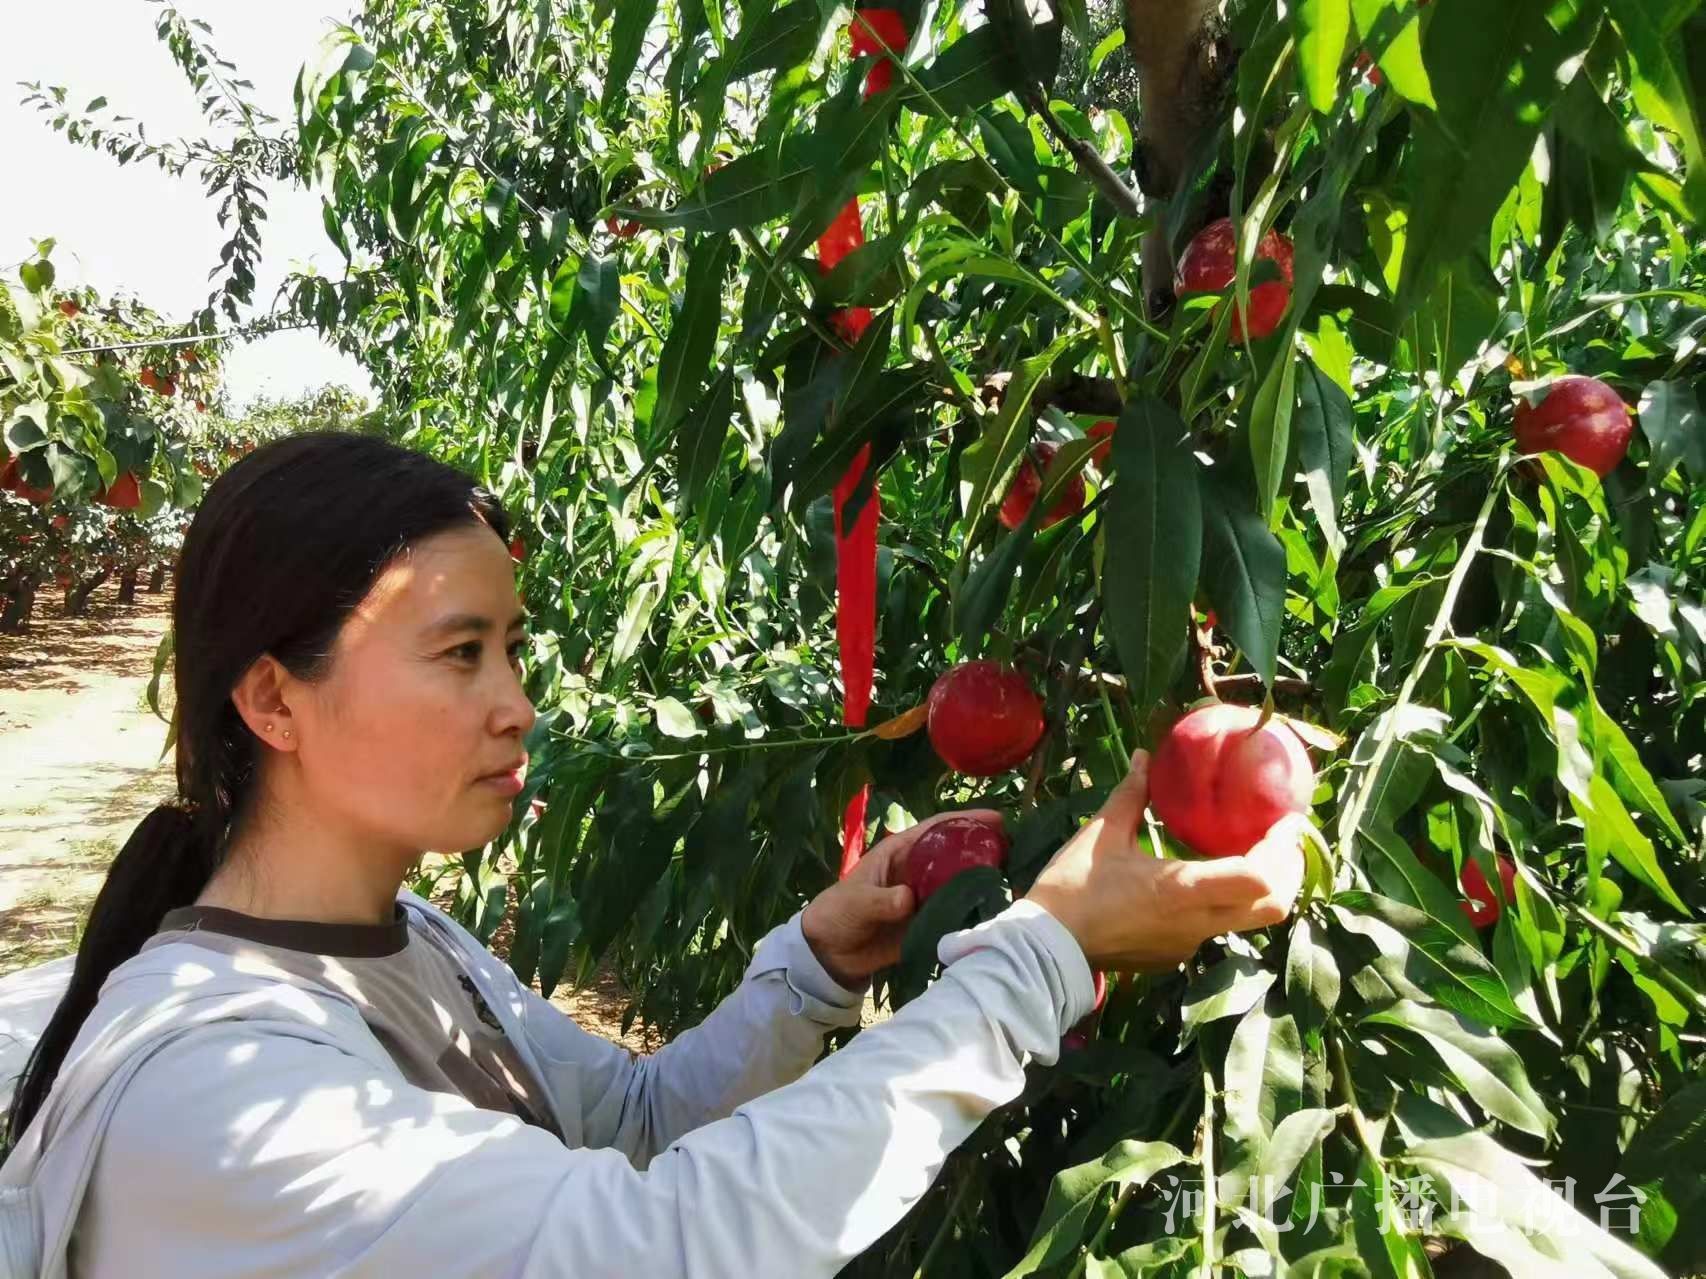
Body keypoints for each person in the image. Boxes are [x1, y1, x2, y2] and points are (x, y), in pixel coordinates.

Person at [0, 432, 1305, 1277]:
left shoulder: (410, 945)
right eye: (459, 654)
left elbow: (627, 1128)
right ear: (273, 701)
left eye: (512, 649)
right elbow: (652, 1247)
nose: (516, 704)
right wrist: (1039, 960)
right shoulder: (217, 1094)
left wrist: (808, 969)